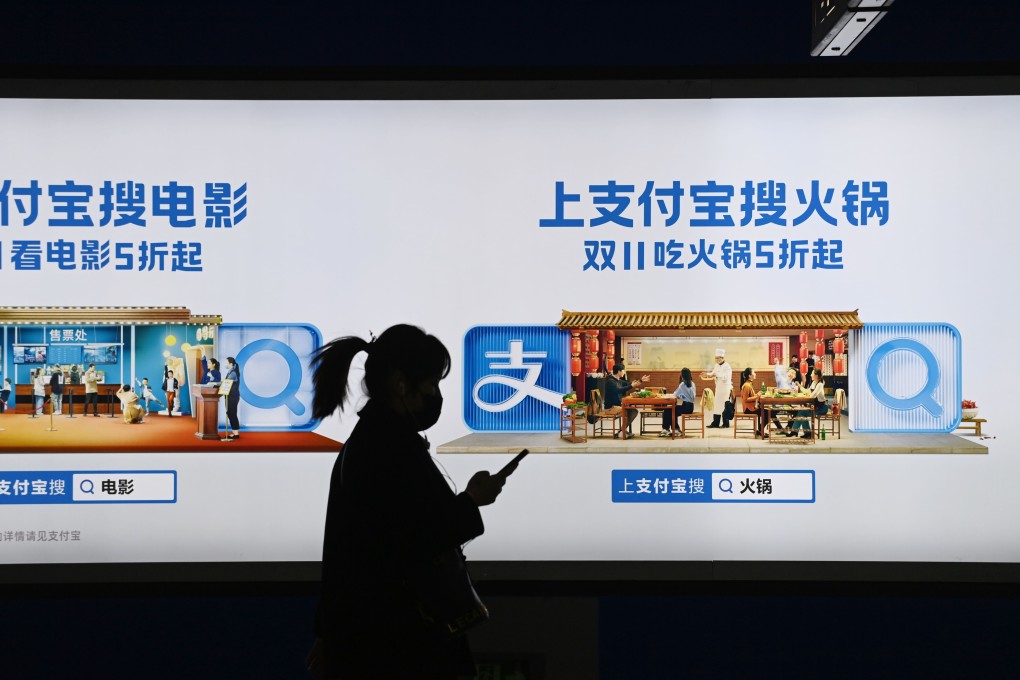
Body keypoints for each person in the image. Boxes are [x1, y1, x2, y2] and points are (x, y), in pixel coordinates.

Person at [306, 324, 512, 679]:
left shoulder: (374, 439)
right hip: (398, 641)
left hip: (373, 636)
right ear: (402, 385)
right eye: (431, 385)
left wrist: (328, 635)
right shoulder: (388, 447)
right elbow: (416, 537)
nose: (436, 396)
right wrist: (472, 500)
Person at [604, 363, 650, 440]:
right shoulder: (610, 381)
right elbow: (618, 390)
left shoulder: (618, 380)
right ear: (619, 371)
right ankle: (623, 432)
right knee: (627, 411)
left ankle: (622, 431)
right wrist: (631, 386)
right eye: (623, 371)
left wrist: (641, 380)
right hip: (610, 408)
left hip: (617, 406)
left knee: (633, 411)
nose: (624, 372)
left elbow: (629, 383)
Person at [701, 348, 732, 428]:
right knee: (717, 405)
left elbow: (726, 376)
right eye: (716, 358)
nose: (717, 360)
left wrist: (716, 375)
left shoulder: (727, 366)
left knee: (725, 406)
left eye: (718, 358)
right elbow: (713, 373)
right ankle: (715, 422)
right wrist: (707, 374)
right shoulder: (716, 365)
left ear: (723, 358)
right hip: (718, 388)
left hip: (725, 389)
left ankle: (726, 423)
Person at [660, 367, 696, 437]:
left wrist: (667, 395)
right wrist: (682, 396)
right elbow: (690, 396)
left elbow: (675, 395)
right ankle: (676, 429)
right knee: (673, 409)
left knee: (668, 410)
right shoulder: (692, 384)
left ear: (682, 375)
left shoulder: (682, 384)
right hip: (690, 407)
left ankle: (666, 429)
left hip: (685, 407)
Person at [739, 367, 760, 434]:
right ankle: (760, 430)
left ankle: (760, 430)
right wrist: (757, 396)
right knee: (768, 413)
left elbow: (751, 396)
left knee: (767, 412)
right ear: (750, 376)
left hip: (751, 407)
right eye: (754, 372)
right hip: (748, 409)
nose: (755, 374)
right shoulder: (747, 385)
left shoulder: (749, 384)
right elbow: (746, 399)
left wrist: (757, 395)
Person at [224, 357, 240, 438]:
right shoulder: (230, 372)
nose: (225, 364)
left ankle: (236, 433)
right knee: (229, 413)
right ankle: (234, 432)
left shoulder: (233, 373)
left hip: (233, 396)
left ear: (231, 364)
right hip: (229, 396)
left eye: (226, 363)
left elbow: (226, 383)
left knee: (232, 413)